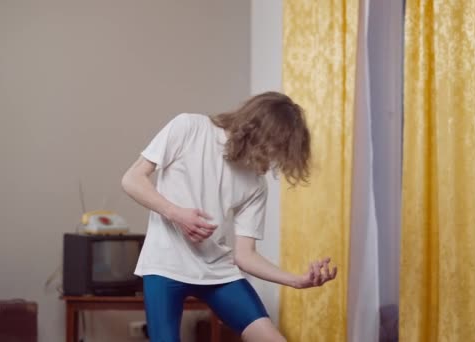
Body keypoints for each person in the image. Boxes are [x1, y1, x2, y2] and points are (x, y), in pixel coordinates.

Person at [121, 91, 337, 342]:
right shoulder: (189, 127)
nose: (274, 159)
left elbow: (245, 256)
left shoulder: (256, 184)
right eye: (275, 148)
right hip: (165, 266)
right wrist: (176, 213)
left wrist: (297, 281)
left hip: (218, 272)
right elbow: (132, 179)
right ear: (255, 129)